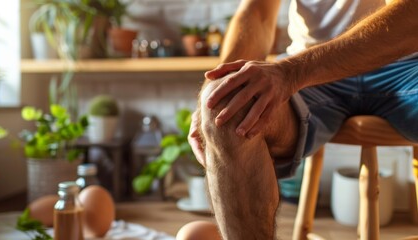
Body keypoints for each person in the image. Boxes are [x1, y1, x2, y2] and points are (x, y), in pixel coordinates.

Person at [179, 0, 418, 239]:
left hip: (404, 66)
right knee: (227, 107)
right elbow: (258, 13)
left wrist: (292, 72)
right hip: (312, 71)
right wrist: (223, 85)